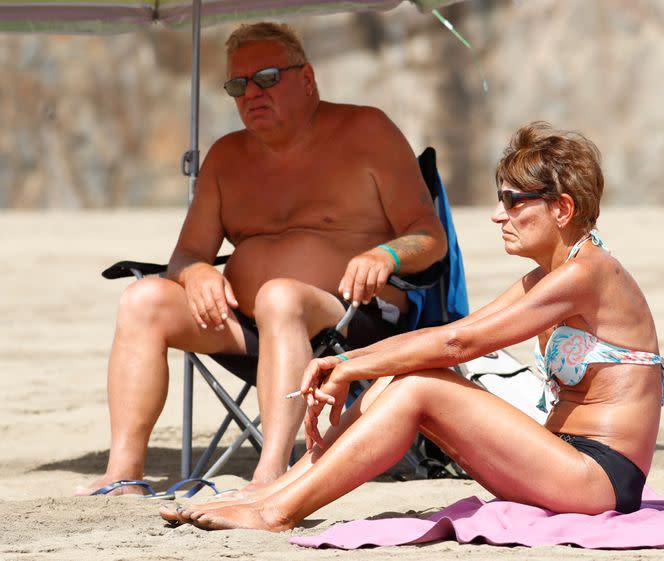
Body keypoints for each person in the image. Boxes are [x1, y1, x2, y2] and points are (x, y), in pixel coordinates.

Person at [159, 121, 664, 530]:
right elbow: (460, 331)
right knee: (396, 380)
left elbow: (458, 342)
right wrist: (351, 364)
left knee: (419, 388)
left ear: (562, 208)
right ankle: (272, 492)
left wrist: (344, 364)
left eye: (514, 201)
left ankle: (277, 513)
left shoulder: (588, 275)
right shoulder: (550, 275)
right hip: (561, 462)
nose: (499, 215)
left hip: (599, 479)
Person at [77, 22, 447, 496]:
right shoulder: (227, 157)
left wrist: (387, 252)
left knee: (280, 296)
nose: (251, 92)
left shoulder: (367, 131)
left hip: (353, 320)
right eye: (238, 84)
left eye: (268, 77)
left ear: (307, 79)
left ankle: (272, 473)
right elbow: (188, 254)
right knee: (143, 298)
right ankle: (123, 473)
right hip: (248, 326)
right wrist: (196, 274)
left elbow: (428, 236)